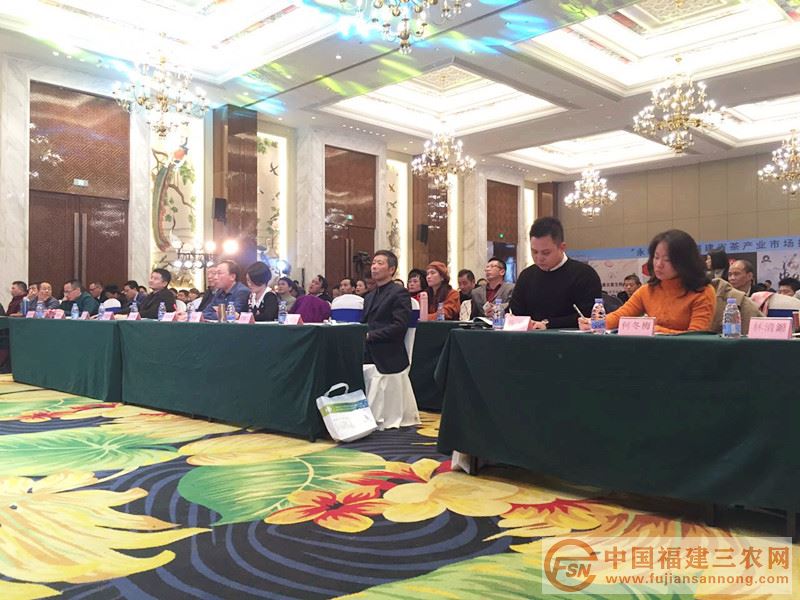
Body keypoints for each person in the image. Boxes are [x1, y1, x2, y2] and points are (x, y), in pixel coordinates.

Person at [580, 229, 715, 334]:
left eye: (667, 259)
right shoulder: (648, 290)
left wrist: (658, 330)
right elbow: (621, 315)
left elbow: (697, 336)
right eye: (656, 257)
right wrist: (594, 323)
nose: (659, 264)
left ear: (685, 262)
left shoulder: (702, 292)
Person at [509, 217, 602, 329]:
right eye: (534, 252)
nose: (539, 258)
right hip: (529, 337)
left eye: (545, 253)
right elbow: (515, 311)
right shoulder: (526, 275)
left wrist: (548, 324)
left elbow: (589, 316)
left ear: (562, 247)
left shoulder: (584, 274)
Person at [362, 250, 411, 373]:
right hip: (367, 352)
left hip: (388, 355)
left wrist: (370, 335)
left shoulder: (399, 292)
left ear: (391, 269)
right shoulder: (369, 296)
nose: (374, 267)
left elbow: (399, 326)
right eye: (373, 263)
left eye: (380, 263)